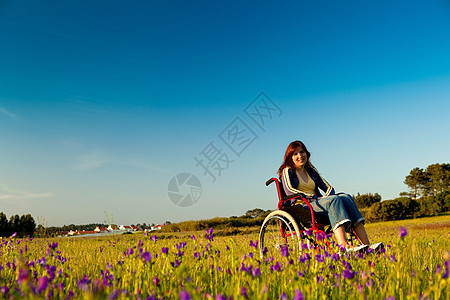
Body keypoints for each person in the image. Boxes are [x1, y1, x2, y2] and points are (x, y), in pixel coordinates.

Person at [278, 140, 383, 253]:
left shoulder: (311, 171)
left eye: (302, 152)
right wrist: (314, 198)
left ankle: (367, 245)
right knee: (334, 200)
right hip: (301, 207)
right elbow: (290, 190)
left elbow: (329, 188)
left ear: (306, 153)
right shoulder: (288, 171)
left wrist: (325, 197)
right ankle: (344, 246)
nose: (300, 156)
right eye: (295, 154)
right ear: (290, 157)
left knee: (346, 197)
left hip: (316, 204)